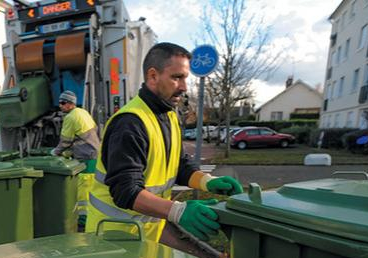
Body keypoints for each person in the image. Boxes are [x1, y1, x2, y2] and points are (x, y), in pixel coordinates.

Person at [85, 42, 244, 243]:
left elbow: (177, 164)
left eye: (185, 78)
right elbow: (125, 191)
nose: (184, 87)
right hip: (113, 238)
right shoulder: (129, 123)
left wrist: (207, 181)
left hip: (143, 236)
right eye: (177, 78)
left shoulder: (168, 115)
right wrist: (178, 211)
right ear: (153, 76)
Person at [51, 90, 100, 227]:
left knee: (83, 192)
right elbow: (90, 134)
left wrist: (55, 152)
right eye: (60, 102)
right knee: (91, 188)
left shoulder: (70, 117)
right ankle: (89, 219)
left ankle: (83, 222)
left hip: (86, 158)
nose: (60, 105)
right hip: (93, 154)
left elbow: (65, 141)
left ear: (70, 104)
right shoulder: (83, 112)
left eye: (63, 103)